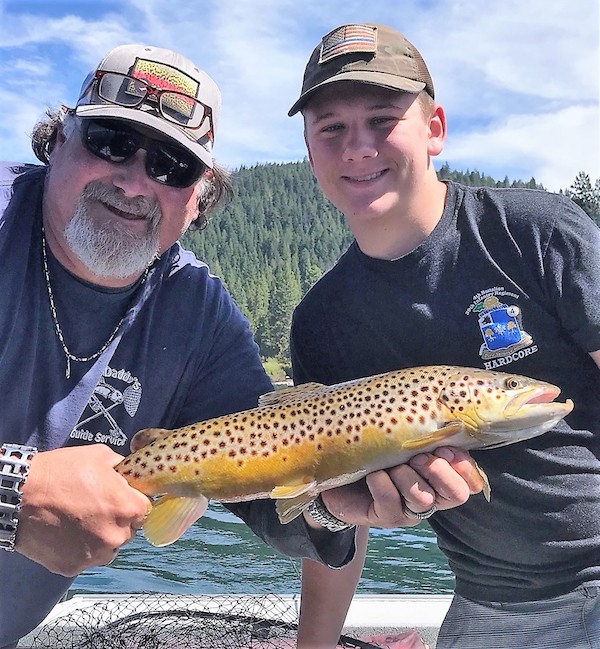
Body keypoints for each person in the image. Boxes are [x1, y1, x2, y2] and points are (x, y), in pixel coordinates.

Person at [0, 43, 366, 648]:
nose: (135, 179)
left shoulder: (198, 315)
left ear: (200, 200)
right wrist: (12, 492)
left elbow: (269, 486)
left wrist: (342, 503)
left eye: (172, 166)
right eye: (112, 141)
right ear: (58, 138)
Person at [288, 22, 600, 649]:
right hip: (491, 604)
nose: (357, 147)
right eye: (331, 128)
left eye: (382, 119)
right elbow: (338, 514)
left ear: (434, 130)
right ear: (309, 148)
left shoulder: (535, 232)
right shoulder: (321, 320)